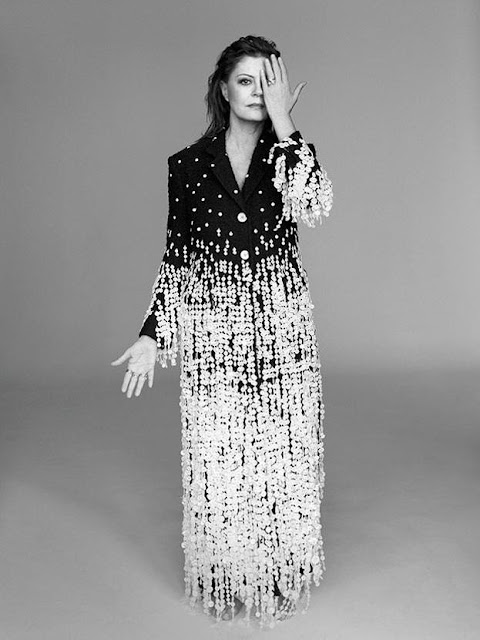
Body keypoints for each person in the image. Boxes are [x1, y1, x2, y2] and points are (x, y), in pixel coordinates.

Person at [111, 34, 333, 629]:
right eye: (246, 80)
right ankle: (225, 573)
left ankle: (280, 572)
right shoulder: (186, 166)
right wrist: (152, 336)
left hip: (281, 326)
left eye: (269, 81)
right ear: (223, 89)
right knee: (220, 456)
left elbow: (314, 203)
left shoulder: (289, 154)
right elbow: (177, 259)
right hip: (215, 330)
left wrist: (286, 123)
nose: (258, 92)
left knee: (279, 452)